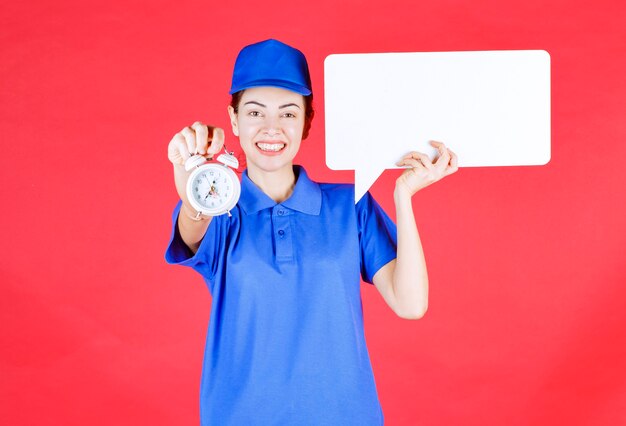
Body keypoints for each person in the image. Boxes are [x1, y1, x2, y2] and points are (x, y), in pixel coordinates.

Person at [166, 39, 457, 425]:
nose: (271, 128)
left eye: (288, 114)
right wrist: (193, 192)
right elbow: (192, 226)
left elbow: (411, 304)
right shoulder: (219, 210)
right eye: (255, 112)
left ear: (307, 122)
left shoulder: (350, 204)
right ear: (234, 120)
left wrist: (404, 194)